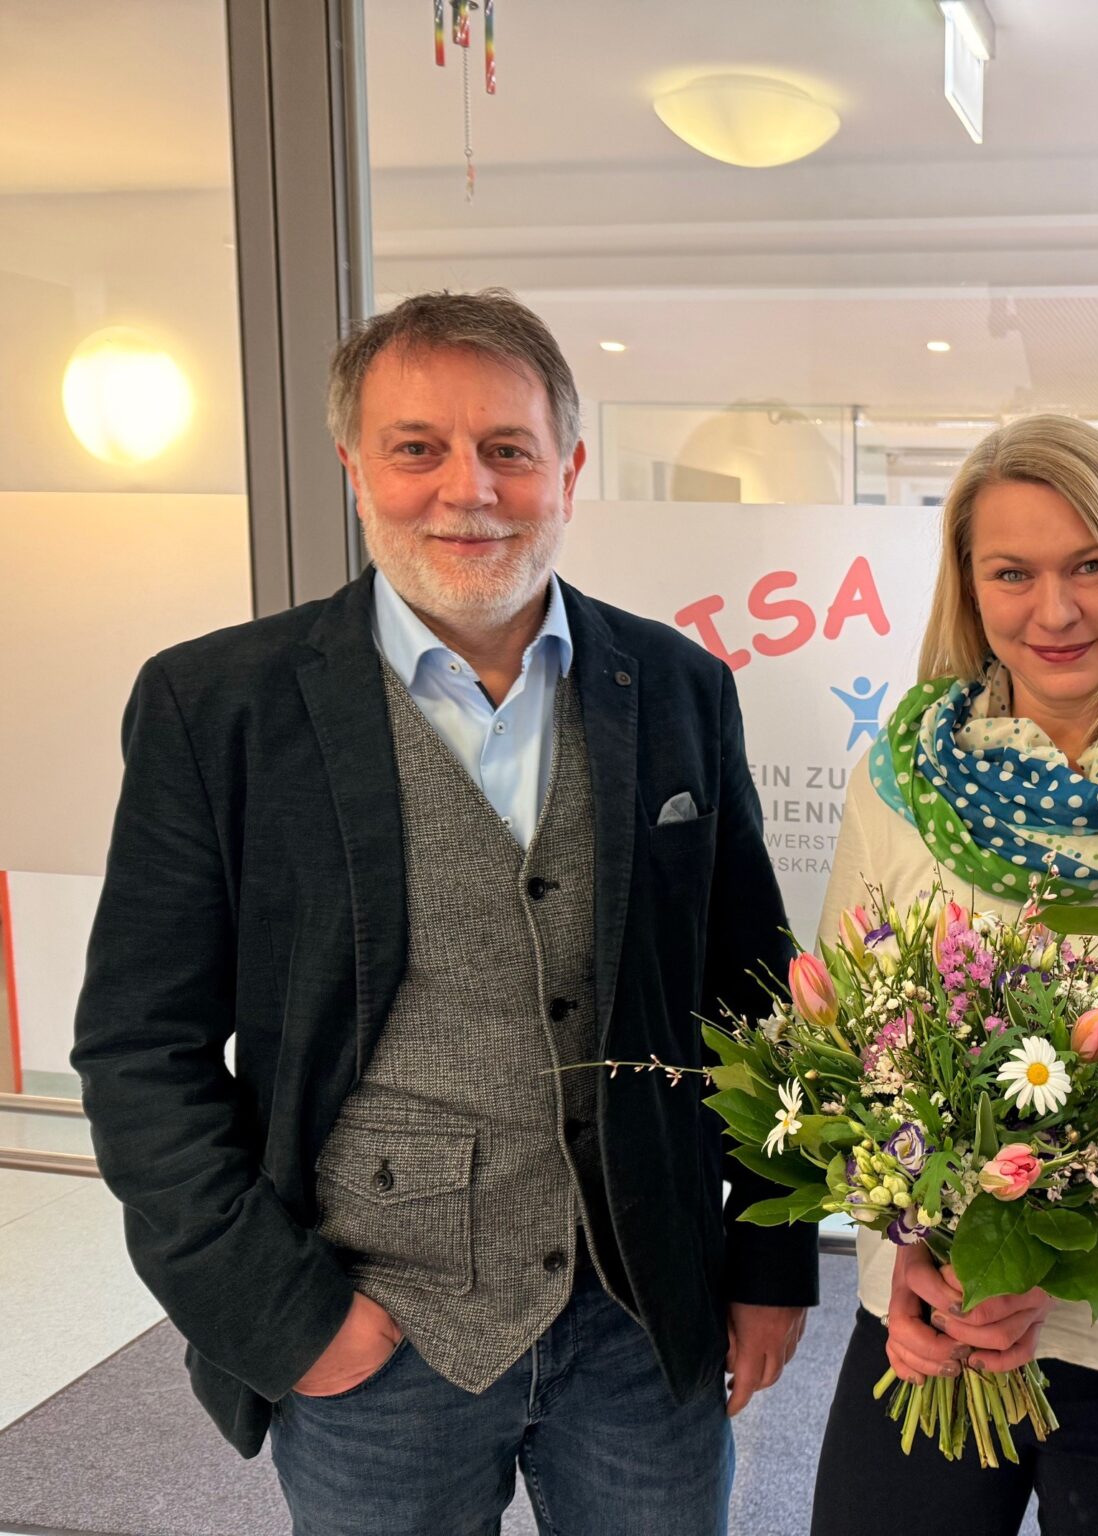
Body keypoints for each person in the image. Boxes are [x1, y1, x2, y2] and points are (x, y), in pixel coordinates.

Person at [72, 289, 816, 1536]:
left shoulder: (678, 685)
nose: (466, 489)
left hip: (645, 1314)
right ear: (355, 466)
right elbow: (139, 1050)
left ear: (568, 471)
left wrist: (771, 1258)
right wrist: (283, 1313)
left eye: (507, 449)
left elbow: (756, 1000)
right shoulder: (217, 707)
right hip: (372, 1328)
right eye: (417, 447)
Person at [808, 414, 1098, 1536]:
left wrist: (1057, 1253)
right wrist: (912, 1247)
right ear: (970, 590)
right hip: (934, 1319)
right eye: (1012, 573)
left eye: (1090, 566)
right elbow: (845, 1047)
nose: (1055, 611)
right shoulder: (901, 784)